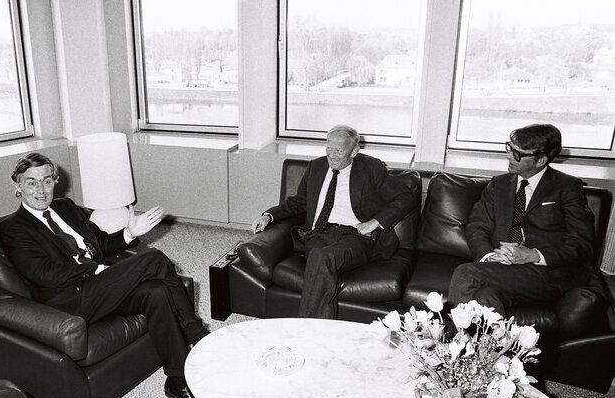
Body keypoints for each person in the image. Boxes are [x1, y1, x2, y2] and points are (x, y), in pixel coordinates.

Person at [0, 153, 209, 398]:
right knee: (153, 259)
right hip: (67, 302)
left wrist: (130, 232)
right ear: (17, 186)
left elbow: (100, 244)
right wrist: (97, 269)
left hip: (97, 289)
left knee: (156, 291)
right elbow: (45, 274)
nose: (41, 190)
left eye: (47, 181)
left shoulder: (65, 207)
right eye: (31, 183)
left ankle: (177, 379)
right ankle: (198, 336)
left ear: (55, 181)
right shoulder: (12, 228)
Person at [250, 124, 418, 319]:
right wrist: (268, 215)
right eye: (328, 148)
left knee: (321, 258)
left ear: (354, 151)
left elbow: (407, 196)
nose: (332, 155)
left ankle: (309, 329)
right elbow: (297, 203)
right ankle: (320, 329)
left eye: (338, 150)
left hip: (355, 237)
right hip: (318, 233)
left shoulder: (371, 168)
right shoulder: (316, 167)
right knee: (319, 257)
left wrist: (374, 222)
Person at [448, 123, 595, 316]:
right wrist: (489, 258)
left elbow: (581, 243)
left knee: (466, 273)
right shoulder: (498, 185)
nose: (509, 156)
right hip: (504, 271)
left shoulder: (567, 187)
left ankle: (454, 342)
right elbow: (477, 227)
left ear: (540, 160)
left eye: (518, 154)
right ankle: (488, 346)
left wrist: (533, 254)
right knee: (485, 297)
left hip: (547, 275)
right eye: (509, 148)